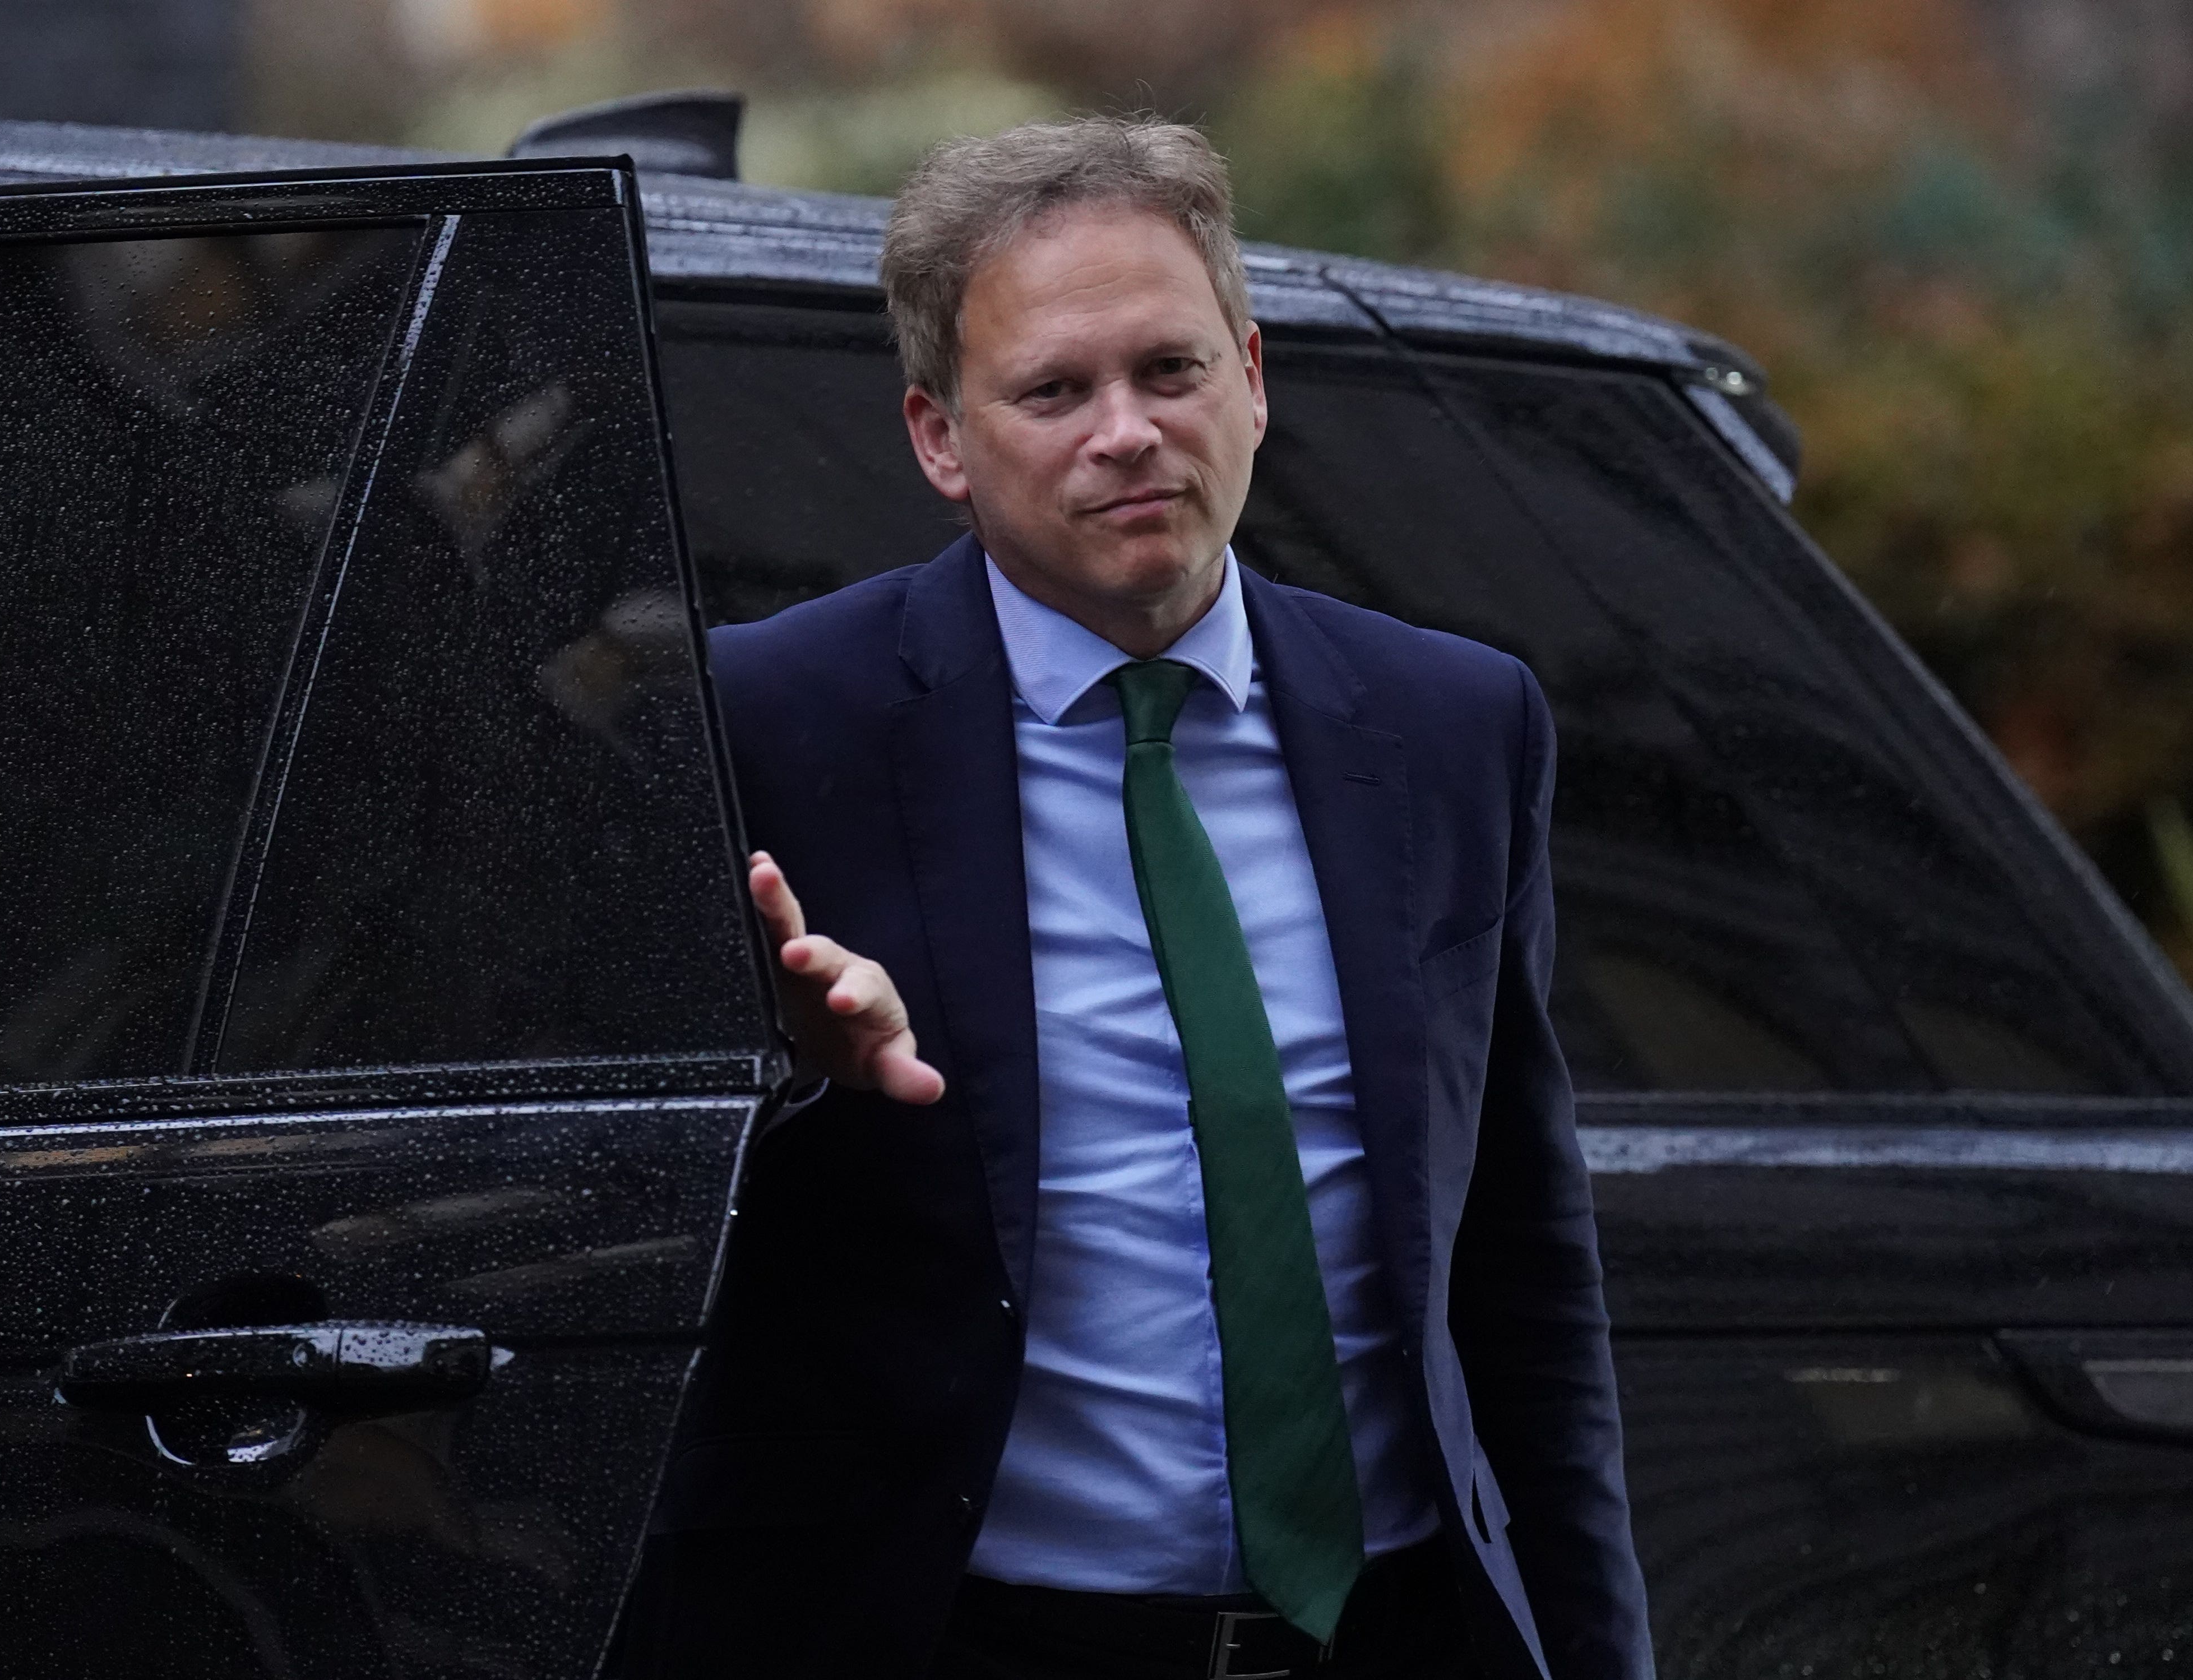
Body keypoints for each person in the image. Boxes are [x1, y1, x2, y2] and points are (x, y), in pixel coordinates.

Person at [613, 117, 1651, 1680]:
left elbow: (1520, 1258)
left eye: (1170, 371)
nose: (1127, 432)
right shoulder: (768, 722)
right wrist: (788, 1082)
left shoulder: (1452, 724)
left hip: (1397, 1632)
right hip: (970, 1635)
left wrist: (1594, 1650)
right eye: (1054, 390)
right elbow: (600, 1197)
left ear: (1251, 376)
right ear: (941, 438)